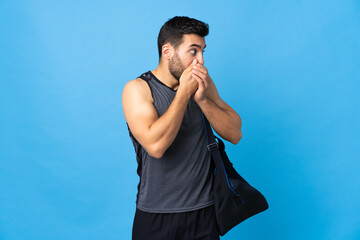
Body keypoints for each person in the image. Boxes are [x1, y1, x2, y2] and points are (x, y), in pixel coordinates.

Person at [122, 16, 242, 240]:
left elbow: (235, 133)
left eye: (203, 52)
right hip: (156, 216)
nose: (201, 61)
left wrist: (203, 101)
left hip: (204, 213)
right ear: (167, 51)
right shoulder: (138, 89)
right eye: (193, 51)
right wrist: (185, 94)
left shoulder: (203, 83)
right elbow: (156, 146)